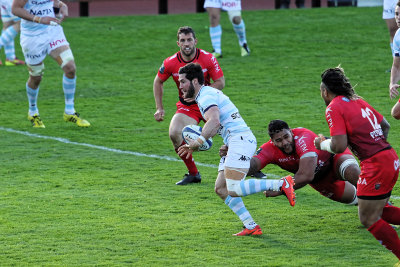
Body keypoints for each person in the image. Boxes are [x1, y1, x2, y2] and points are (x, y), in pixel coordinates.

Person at [177, 63, 295, 236]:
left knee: (234, 188)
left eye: (182, 82)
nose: (180, 86)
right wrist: (227, 143)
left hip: (240, 139)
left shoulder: (205, 96)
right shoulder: (206, 94)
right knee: (221, 188)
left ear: (195, 81)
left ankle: (281, 183)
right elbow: (221, 123)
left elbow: (214, 121)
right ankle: (251, 226)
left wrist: (199, 141)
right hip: (235, 141)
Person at [314, 66, 400, 260]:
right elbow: (384, 125)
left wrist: (322, 144)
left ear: (325, 91)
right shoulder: (357, 100)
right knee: (379, 210)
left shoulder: (334, 107)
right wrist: (375, 144)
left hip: (376, 164)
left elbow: (338, 145)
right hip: (389, 157)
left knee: (368, 218)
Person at [219, 119, 359, 204]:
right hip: (319, 180)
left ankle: (378, 190)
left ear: (291, 132)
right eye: (279, 140)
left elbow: (305, 176)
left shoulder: (304, 137)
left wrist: (280, 190)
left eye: (286, 137)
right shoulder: (269, 149)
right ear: (272, 142)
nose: (285, 143)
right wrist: (234, 156)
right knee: (359, 202)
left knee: (352, 172)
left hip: (333, 159)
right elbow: (252, 166)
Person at [153, 26, 225, 185]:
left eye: (189, 40)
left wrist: (201, 93)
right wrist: (160, 108)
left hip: (209, 104)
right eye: (183, 40)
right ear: (178, 43)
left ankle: (253, 165)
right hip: (188, 107)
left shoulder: (207, 58)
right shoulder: (170, 62)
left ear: (195, 41)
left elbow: (220, 83)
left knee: (232, 134)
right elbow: (158, 81)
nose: (187, 43)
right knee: (174, 133)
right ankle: (194, 174)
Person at [11, 0, 90, 128]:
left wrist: (61, 5)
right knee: (36, 77)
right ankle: (33, 112)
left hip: (52, 31)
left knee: (70, 68)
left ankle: (69, 112)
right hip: (32, 38)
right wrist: (39, 19)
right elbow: (15, 9)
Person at [0, 0, 25, 66]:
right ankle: (10, 58)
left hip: (4, 2)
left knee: (7, 26)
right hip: (11, 2)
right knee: (20, 24)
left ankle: (10, 58)